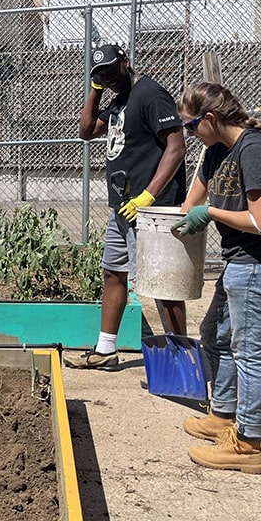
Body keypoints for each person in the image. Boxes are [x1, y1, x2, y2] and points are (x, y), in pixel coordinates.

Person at [174, 82, 261, 474]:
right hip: (240, 262)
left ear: (210, 118)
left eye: (191, 126)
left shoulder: (254, 150)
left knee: (249, 354)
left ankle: (247, 444)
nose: (189, 134)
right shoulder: (216, 151)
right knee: (215, 334)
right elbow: (191, 202)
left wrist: (210, 213)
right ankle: (223, 415)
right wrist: (177, 216)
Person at [65, 43, 188, 370]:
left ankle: (181, 358)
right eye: (101, 75)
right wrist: (95, 90)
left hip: (152, 210)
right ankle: (106, 349)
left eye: (111, 70)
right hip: (123, 207)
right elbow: (87, 130)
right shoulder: (119, 99)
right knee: (113, 272)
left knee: (162, 283)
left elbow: (176, 147)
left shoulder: (150, 94)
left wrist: (149, 195)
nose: (108, 78)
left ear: (126, 61)